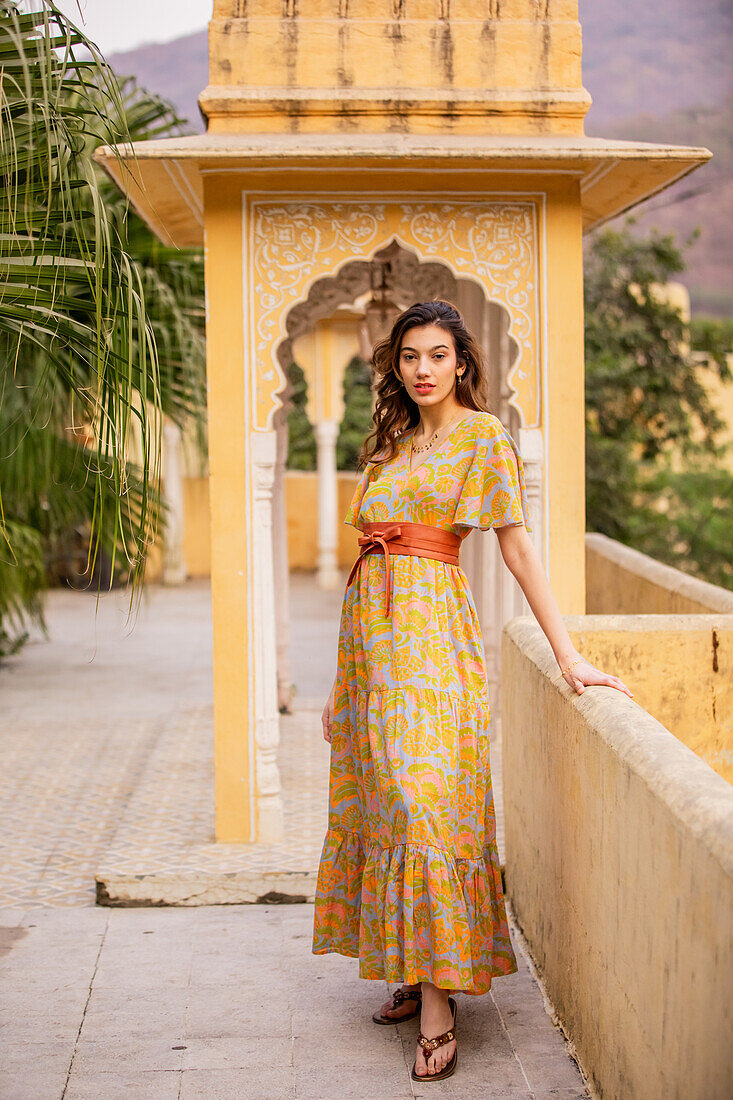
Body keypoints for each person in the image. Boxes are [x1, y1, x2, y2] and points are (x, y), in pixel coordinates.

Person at [311, 300, 632, 1082]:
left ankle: (439, 1004)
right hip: (371, 653)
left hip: (432, 646)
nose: (422, 369)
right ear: (397, 366)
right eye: (409, 356)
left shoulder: (482, 438)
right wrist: (338, 685)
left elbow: (517, 552)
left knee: (428, 807)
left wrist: (567, 656)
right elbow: (364, 570)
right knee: (388, 804)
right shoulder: (388, 445)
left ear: (462, 364)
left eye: (436, 356)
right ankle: (412, 966)